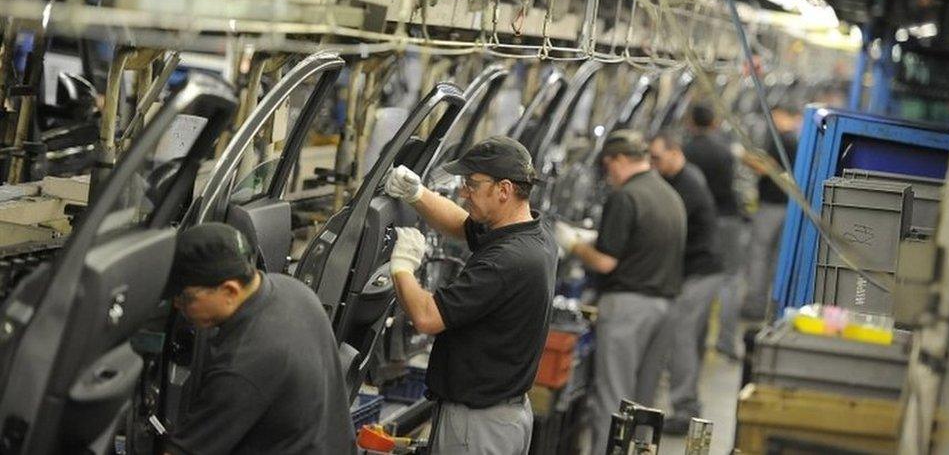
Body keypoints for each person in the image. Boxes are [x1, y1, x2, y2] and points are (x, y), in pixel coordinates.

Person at [384, 135, 557, 455]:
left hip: (479, 426)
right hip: (501, 417)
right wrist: (417, 194)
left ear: (504, 189)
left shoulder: (507, 261)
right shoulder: (532, 232)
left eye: (472, 185)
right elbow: (461, 226)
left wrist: (402, 267)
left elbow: (427, 317)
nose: (464, 192)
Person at [164, 223, 355, 455]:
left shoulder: (243, 364)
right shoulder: (292, 290)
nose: (177, 305)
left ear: (230, 291)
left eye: (185, 298)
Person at [553, 129, 686, 455]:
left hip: (629, 309)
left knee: (612, 398)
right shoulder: (669, 195)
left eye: (608, 165)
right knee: (643, 403)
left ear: (621, 160)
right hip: (665, 308)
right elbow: (641, 243)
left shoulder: (625, 197)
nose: (608, 173)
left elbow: (606, 262)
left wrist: (573, 244)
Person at [648, 131, 725, 434]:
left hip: (700, 272)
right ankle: (686, 402)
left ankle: (685, 408)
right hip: (699, 269)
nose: (652, 165)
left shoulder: (687, 187)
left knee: (681, 337)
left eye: (656, 158)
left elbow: (665, 230)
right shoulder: (683, 176)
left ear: (673, 151)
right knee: (688, 339)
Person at [683, 104, 745, 359]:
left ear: (690, 122)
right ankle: (727, 343)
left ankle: (695, 343)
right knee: (729, 281)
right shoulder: (724, 149)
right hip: (728, 219)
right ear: (714, 122)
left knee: (699, 282)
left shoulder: (687, 151)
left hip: (702, 224)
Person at [741, 105, 801, 320]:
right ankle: (773, 308)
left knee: (759, 256)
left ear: (780, 115)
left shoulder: (783, 140)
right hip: (788, 207)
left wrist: (743, 156)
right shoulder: (795, 139)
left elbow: (768, 168)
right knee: (776, 258)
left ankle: (754, 307)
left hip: (771, 207)